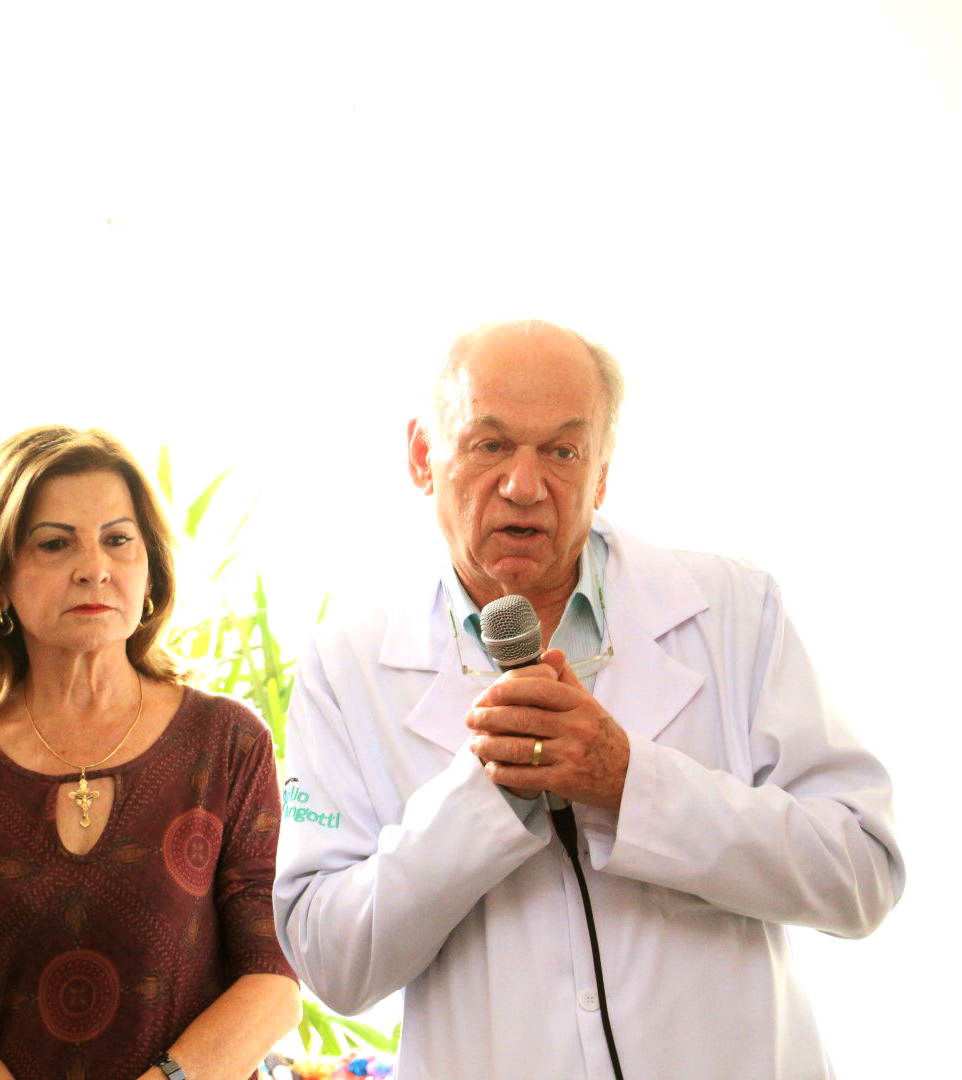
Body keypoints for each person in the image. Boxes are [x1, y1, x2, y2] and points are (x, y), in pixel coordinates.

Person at [272, 320, 904, 1079]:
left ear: (601, 471)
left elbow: (862, 876)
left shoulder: (735, 609)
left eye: (563, 452)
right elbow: (330, 962)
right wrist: (481, 800)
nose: (524, 485)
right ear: (421, 456)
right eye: (490, 444)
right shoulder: (346, 665)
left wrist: (631, 782)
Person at [0, 426, 300, 1080]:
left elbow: (273, 978)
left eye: (118, 539)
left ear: (150, 572)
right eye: (55, 543)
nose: (94, 567)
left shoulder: (227, 742)